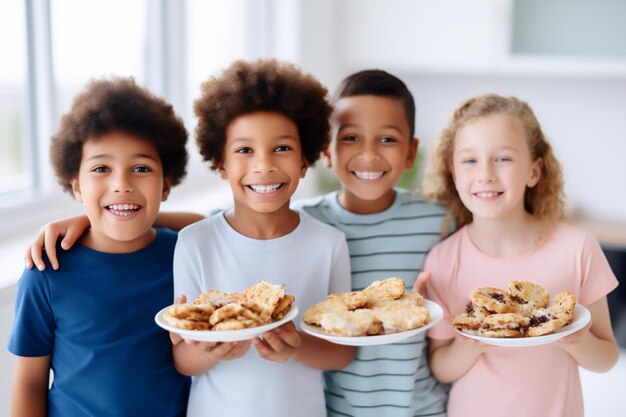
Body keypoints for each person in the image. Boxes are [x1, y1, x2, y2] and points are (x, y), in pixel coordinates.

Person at [172, 59, 354, 417]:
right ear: (220, 163)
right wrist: (209, 350)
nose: (264, 165)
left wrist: (295, 346)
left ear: (305, 160)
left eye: (282, 148)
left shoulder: (329, 244)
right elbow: (182, 359)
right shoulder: (195, 243)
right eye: (244, 150)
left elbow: (342, 352)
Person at [421, 93, 619, 417]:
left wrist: (576, 340)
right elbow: (441, 366)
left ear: (534, 171)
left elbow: (608, 356)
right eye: (470, 160)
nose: (485, 173)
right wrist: (471, 343)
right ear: (454, 174)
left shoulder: (577, 248)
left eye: (503, 158)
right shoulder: (442, 260)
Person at [8, 78, 191, 416]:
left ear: (165, 186)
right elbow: (29, 382)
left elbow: (215, 225)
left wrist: (95, 218)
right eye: (101, 168)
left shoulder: (185, 255)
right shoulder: (47, 270)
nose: (121, 184)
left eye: (141, 168)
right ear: (77, 187)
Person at [293, 69, 450, 417]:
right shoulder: (300, 222)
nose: (368, 154)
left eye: (388, 140)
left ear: (410, 153)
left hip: (423, 409)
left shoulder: (440, 220)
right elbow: (222, 222)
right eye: (350, 138)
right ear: (326, 150)